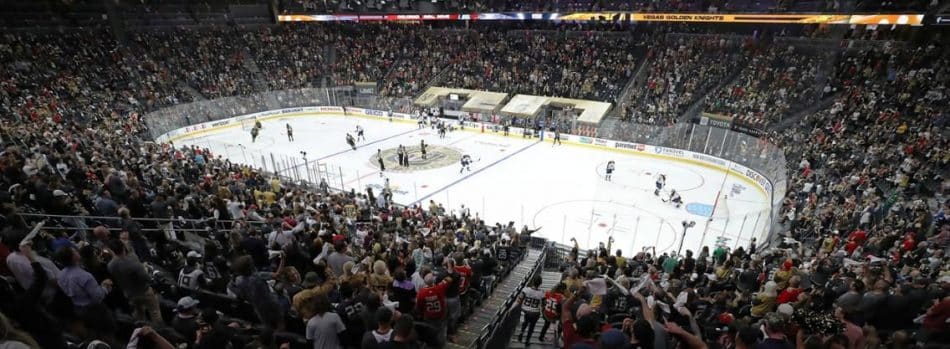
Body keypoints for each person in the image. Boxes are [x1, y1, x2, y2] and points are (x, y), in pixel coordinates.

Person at [107, 239, 162, 323]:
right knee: (155, 313)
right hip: (144, 291)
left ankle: (141, 327)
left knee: (139, 314)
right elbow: (146, 277)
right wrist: (145, 268)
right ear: (123, 247)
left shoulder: (110, 265)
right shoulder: (132, 261)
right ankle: (160, 328)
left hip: (129, 294)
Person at [518, 275, 545, 344]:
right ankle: (527, 340)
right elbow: (543, 304)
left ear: (533, 281)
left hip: (526, 310)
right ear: (540, 283)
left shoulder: (526, 290)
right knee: (532, 326)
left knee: (525, 322)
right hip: (535, 312)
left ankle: (521, 333)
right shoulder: (542, 293)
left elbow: (520, 299)